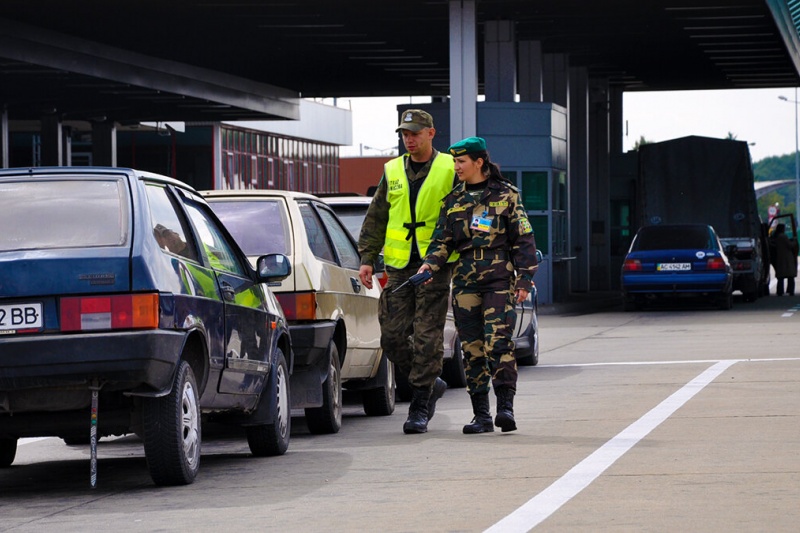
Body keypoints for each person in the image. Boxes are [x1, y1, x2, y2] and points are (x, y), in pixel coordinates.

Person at [418, 137, 538, 434]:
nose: (456, 167)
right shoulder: (454, 200)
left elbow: (523, 239)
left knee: (498, 343)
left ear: (479, 162)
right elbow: (441, 242)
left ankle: (506, 408)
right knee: (472, 349)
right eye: (455, 161)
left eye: (461, 162)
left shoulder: (506, 195)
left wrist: (524, 278)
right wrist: (429, 265)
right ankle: (481, 415)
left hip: (498, 279)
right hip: (465, 282)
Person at [357, 109, 457, 434]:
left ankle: (420, 404)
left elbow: (462, 215)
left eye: (415, 133)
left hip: (435, 265)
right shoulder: (392, 170)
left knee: (428, 336)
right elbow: (376, 216)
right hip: (399, 266)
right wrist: (368, 258)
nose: (409, 140)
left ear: (431, 133)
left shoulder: (448, 168)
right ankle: (431, 382)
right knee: (392, 336)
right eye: (404, 134)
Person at [771, 223, 798, 296]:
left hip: (780, 257)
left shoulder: (776, 237)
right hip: (787, 257)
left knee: (781, 276)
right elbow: (790, 245)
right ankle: (790, 290)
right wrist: (795, 241)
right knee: (790, 275)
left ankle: (780, 291)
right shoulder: (783, 236)